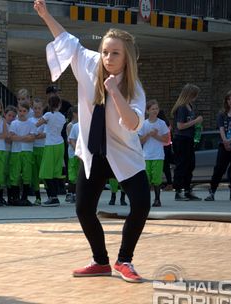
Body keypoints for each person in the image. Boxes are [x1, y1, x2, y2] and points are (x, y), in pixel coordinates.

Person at [34, 0, 150, 283]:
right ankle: (100, 260)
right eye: (106, 51)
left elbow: (133, 124)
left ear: (127, 59)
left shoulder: (134, 89)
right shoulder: (89, 63)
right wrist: (46, 15)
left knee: (141, 204)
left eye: (115, 54)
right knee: (83, 208)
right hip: (95, 150)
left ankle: (125, 260)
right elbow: (66, 40)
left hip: (123, 152)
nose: (108, 57)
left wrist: (115, 92)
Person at [205, 90, 231, 201]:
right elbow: (221, 129)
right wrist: (225, 141)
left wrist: (230, 141)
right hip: (224, 145)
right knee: (219, 169)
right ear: (226, 101)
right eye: (229, 99)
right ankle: (212, 192)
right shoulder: (222, 114)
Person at [171, 84, 204, 201]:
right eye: (194, 95)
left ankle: (187, 190)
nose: (195, 97)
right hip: (181, 139)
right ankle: (178, 191)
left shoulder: (190, 106)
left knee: (190, 165)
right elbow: (180, 126)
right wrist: (195, 121)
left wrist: (197, 126)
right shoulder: (182, 108)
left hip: (189, 138)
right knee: (182, 165)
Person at [35, 95, 66, 207]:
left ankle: (53, 198)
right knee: (55, 172)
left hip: (50, 144)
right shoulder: (62, 117)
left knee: (45, 172)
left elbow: (37, 123)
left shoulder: (48, 115)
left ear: (49, 104)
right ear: (59, 105)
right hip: (60, 144)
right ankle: (54, 196)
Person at [138, 100, 170, 207]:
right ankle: (146, 200)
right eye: (152, 109)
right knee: (146, 179)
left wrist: (156, 136)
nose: (155, 111)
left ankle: (157, 200)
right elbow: (140, 141)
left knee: (156, 179)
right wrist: (148, 134)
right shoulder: (144, 124)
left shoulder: (161, 123)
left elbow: (166, 140)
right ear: (147, 111)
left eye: (157, 108)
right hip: (146, 156)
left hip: (158, 155)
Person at [8, 102, 37, 206]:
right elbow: (12, 137)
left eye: (24, 111)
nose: (22, 113)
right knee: (14, 173)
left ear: (28, 112)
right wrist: (25, 137)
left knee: (26, 174)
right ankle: (15, 198)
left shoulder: (31, 124)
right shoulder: (14, 123)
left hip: (27, 151)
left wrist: (19, 137)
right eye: (20, 111)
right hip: (16, 151)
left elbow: (32, 138)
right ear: (17, 111)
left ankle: (24, 197)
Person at [30, 98, 47, 204]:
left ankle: (50, 195)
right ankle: (38, 198)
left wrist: (34, 136)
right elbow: (30, 134)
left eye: (39, 108)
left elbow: (44, 134)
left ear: (42, 109)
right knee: (34, 174)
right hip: (32, 149)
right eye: (35, 108)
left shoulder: (45, 120)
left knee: (44, 174)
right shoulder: (30, 120)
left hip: (43, 148)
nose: (37, 110)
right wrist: (34, 136)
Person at [66, 106, 79, 204]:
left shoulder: (80, 125)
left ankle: (76, 192)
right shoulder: (70, 125)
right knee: (72, 173)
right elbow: (70, 139)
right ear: (75, 114)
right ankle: (71, 193)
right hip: (72, 153)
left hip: (79, 153)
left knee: (78, 172)